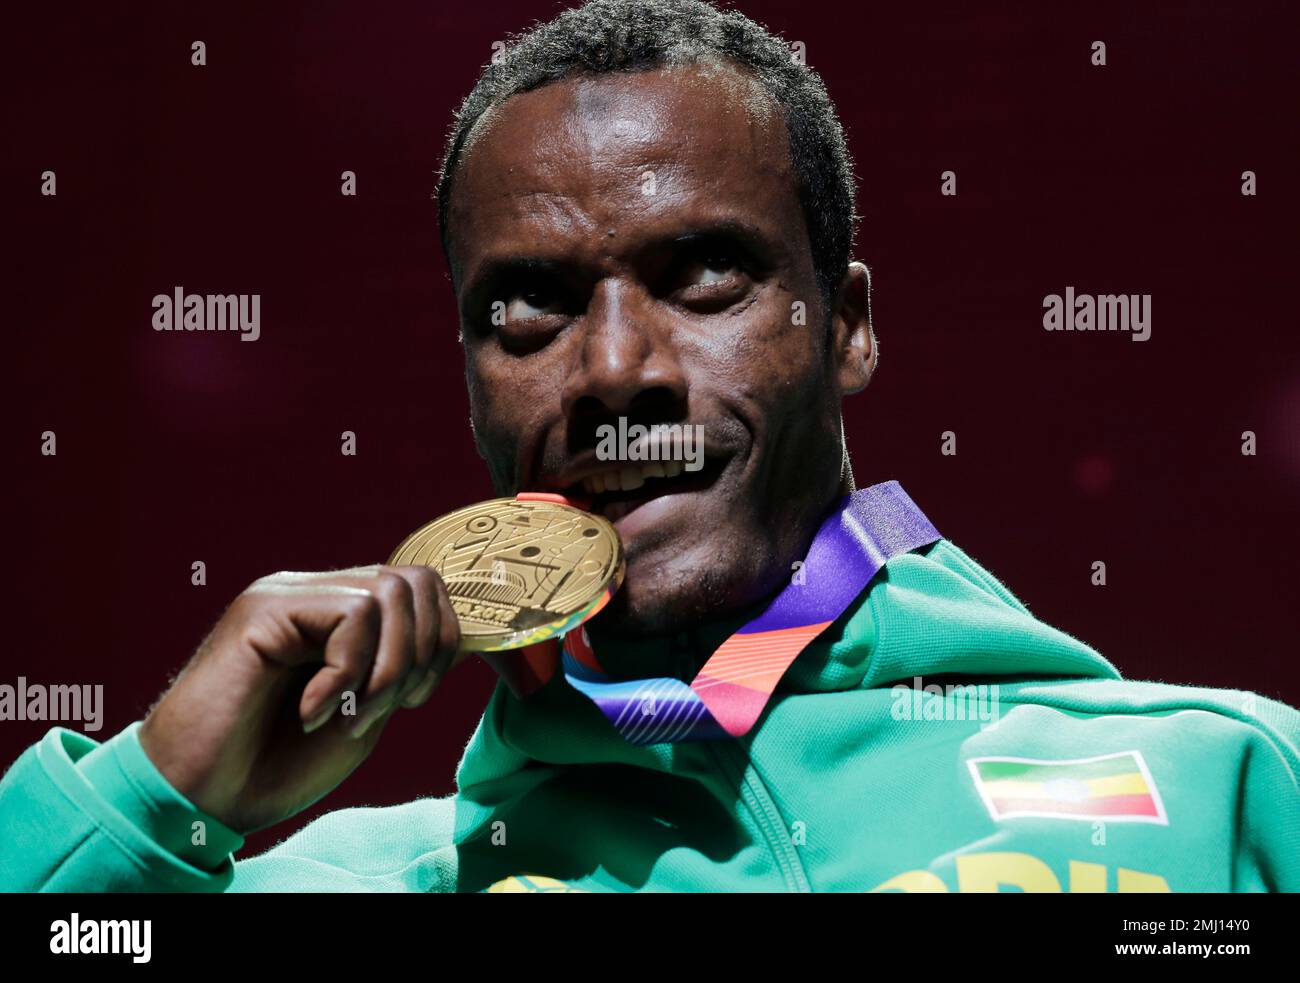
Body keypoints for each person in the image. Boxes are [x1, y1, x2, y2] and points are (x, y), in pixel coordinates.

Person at [2, 0, 1296, 893]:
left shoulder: (1229, 784)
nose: (616, 369)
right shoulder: (369, 881)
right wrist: (145, 798)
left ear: (843, 327)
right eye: (529, 307)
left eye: (703, 276)